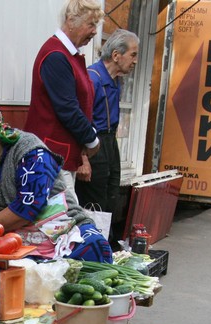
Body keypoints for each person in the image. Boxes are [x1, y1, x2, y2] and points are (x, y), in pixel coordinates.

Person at [0, 105, 112, 263]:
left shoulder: (32, 154)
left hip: (61, 228)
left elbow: (28, 208)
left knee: (95, 250)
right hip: (14, 238)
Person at [24, 0, 104, 188]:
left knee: (64, 214)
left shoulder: (67, 54)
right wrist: (92, 141)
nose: (94, 31)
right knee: (60, 215)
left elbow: (80, 106)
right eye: (91, 24)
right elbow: (68, 109)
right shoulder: (56, 55)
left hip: (59, 156)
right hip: (50, 158)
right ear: (71, 20)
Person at [80, 29, 139, 243]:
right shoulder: (92, 79)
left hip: (109, 142)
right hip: (93, 143)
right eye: (133, 55)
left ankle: (107, 244)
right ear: (116, 55)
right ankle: (92, 246)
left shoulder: (115, 80)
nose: (135, 61)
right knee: (93, 200)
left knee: (111, 194)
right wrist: (83, 160)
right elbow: (79, 122)